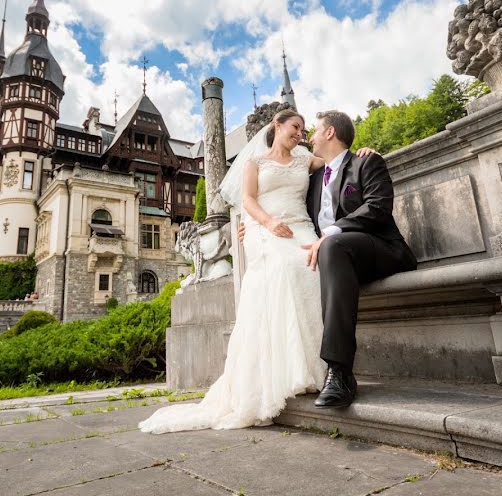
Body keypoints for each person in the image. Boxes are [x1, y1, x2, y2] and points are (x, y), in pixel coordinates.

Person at [138, 109, 377, 434]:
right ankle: (287, 371)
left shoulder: (305, 159)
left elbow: (339, 160)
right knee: (286, 267)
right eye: (295, 127)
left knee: (314, 268)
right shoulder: (255, 164)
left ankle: (320, 370)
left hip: (300, 227)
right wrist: (266, 222)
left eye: (304, 130)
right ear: (277, 126)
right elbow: (248, 200)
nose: (300, 134)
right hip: (265, 229)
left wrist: (365, 152)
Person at [301, 111, 417, 408]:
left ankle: (339, 371)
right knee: (321, 253)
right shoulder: (313, 180)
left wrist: (330, 233)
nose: (309, 137)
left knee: (331, 246)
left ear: (329, 133)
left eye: (314, 130)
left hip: (381, 249)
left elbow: (378, 208)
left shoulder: (366, 162)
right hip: (338, 258)